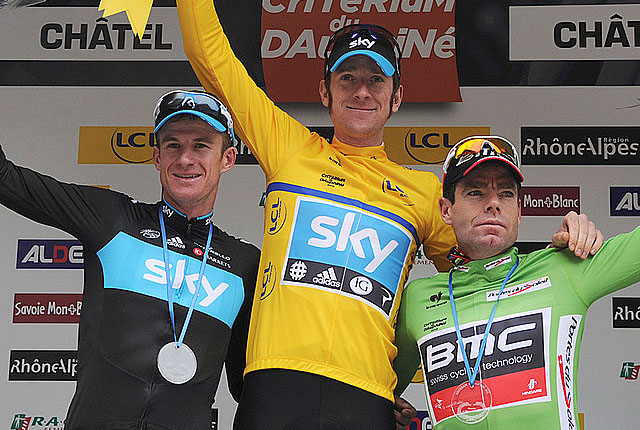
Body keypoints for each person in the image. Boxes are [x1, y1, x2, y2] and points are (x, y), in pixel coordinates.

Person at [176, 3, 601, 428]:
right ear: (325, 92)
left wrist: (561, 250)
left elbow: (487, 279)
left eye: (376, 80)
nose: (362, 91)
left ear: (397, 97)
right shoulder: (289, 149)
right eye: (348, 78)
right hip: (276, 381)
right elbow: (211, 57)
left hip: (367, 394)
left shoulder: (425, 193)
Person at [0, 90, 260, 429]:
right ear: (156, 156)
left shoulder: (245, 264)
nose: (185, 158)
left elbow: (249, 386)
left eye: (201, 145)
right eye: (172, 145)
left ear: (227, 159)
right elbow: (7, 179)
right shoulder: (113, 220)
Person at [392, 136, 639, 430]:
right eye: (476, 192)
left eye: (506, 194)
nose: (494, 203)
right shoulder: (418, 298)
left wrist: (582, 233)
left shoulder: (565, 266)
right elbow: (376, 386)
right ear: (446, 209)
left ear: (520, 211)